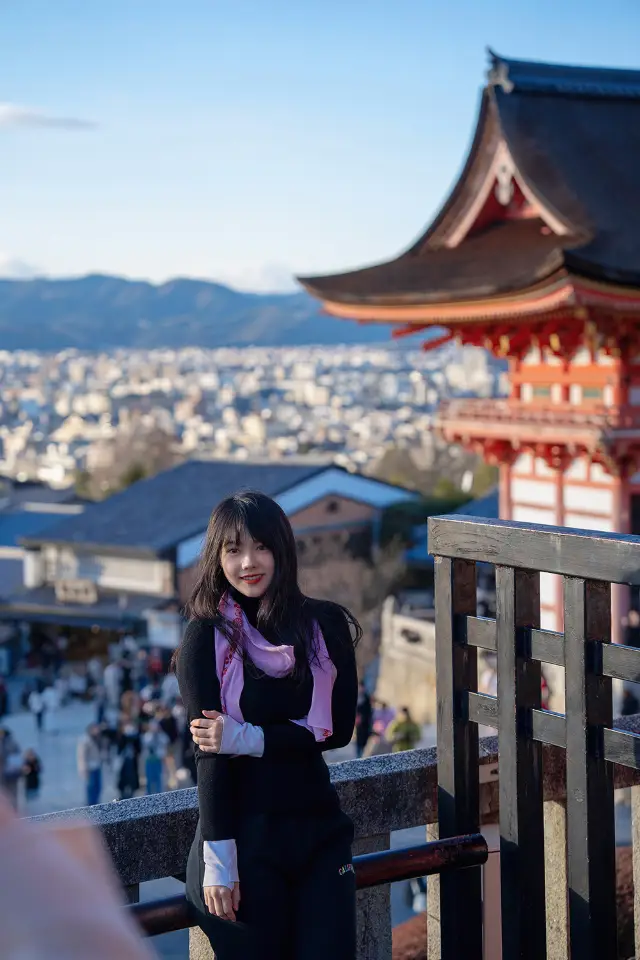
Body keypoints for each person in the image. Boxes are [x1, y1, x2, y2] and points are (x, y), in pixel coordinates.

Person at [176, 490, 360, 960]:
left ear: (282, 548)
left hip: (318, 830)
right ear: (217, 559)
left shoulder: (323, 626)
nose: (248, 563)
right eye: (233, 550)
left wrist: (247, 738)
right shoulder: (206, 636)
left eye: (261, 546)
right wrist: (219, 861)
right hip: (244, 836)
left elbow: (337, 730)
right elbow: (209, 754)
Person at [77, 723, 104, 806]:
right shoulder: (85, 741)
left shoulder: (98, 739)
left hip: (97, 766)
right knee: (91, 787)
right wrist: (82, 769)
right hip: (89, 768)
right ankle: (90, 804)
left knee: (98, 787)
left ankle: (96, 803)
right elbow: (81, 756)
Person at [142, 718, 169, 794]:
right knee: (149, 780)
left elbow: (165, 745)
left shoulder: (162, 736)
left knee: (159, 780)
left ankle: (159, 795)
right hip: (149, 761)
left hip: (158, 761)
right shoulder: (147, 736)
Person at [117, 720, 141, 800]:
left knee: (132, 779)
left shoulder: (136, 737)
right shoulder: (122, 736)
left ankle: (131, 793)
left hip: (133, 762)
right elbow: (119, 748)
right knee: (123, 779)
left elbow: (138, 749)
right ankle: (123, 793)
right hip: (125, 761)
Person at [354, 682, 373, 759]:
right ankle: (358, 756)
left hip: (366, 723)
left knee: (365, 740)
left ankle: (363, 756)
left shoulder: (366, 698)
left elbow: (369, 711)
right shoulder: (356, 697)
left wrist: (363, 718)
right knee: (358, 740)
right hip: (358, 724)